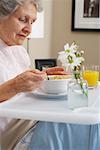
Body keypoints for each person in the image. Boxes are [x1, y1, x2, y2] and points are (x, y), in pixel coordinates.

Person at [0, 0, 100, 150]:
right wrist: (14, 86)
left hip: (33, 120)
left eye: (32, 22)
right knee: (86, 127)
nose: (29, 29)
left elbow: (23, 87)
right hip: (14, 134)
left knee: (90, 124)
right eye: (22, 20)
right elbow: (15, 85)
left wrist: (42, 76)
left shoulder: (18, 51)